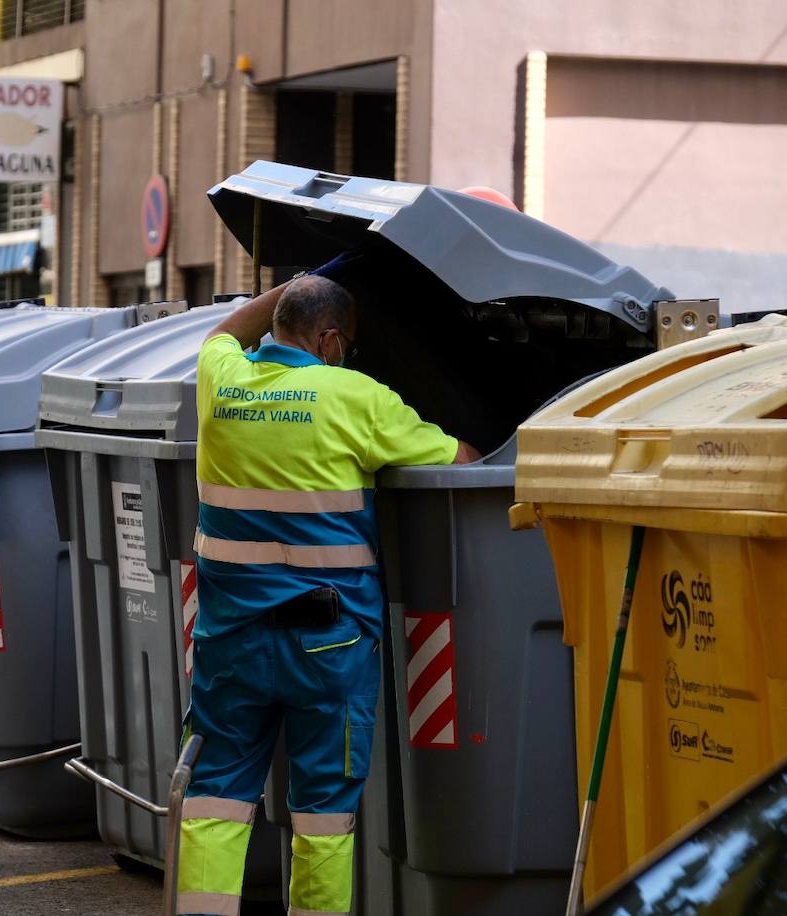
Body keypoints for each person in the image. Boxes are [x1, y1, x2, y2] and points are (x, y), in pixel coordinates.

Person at [177, 273, 477, 916]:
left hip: (230, 642)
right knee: (321, 812)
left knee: (215, 797)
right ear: (333, 340)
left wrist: (288, 283)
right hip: (328, 644)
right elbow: (465, 466)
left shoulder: (221, 379)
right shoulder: (355, 397)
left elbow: (221, 333)